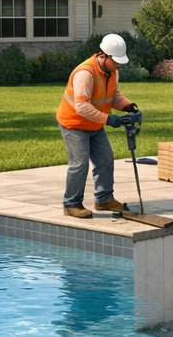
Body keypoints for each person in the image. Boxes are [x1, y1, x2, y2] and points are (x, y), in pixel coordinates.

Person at [56, 32, 139, 219]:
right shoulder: (85, 73)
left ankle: (104, 199)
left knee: (105, 159)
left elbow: (113, 96)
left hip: (94, 124)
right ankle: (71, 204)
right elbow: (82, 106)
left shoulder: (112, 72)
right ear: (104, 55)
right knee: (80, 163)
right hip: (74, 124)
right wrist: (108, 119)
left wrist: (127, 106)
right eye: (116, 60)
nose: (118, 64)